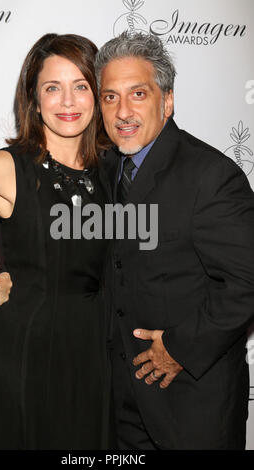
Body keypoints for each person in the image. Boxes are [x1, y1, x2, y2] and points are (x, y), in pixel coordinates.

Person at [95, 31, 254, 450]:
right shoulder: (106, 169)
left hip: (191, 405)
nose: (123, 111)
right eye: (110, 97)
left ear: (167, 101)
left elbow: (247, 282)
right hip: (119, 406)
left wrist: (180, 348)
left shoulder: (210, 176)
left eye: (138, 94)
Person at [0, 33, 114, 450]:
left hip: (93, 352)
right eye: (52, 88)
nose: (68, 101)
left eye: (81, 86)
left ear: (98, 95)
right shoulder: (8, 168)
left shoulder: (114, 171)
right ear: (34, 98)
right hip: (22, 351)